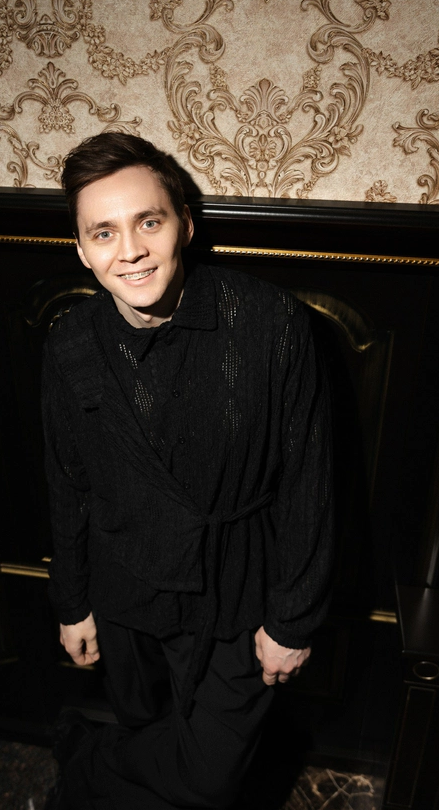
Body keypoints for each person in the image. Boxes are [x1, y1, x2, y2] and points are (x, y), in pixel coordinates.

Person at [41, 132, 333, 809]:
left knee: (210, 776)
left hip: (234, 587)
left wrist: (293, 620)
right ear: (81, 249)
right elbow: (65, 480)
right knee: (147, 726)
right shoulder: (70, 342)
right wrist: (72, 602)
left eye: (149, 222)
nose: (130, 250)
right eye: (104, 233)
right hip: (124, 591)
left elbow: (308, 481)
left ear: (186, 225)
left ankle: (85, 755)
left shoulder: (270, 323)